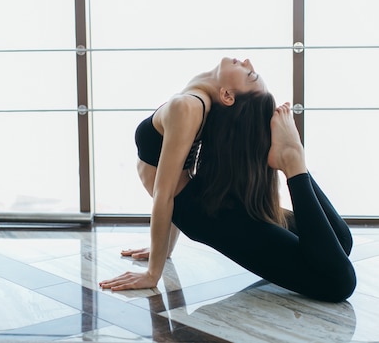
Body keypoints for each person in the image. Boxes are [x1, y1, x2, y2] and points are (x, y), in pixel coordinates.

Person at [99, 58, 356, 303]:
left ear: (228, 96)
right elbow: (174, 181)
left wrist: (153, 272)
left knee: (341, 249)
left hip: (205, 212)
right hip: (206, 210)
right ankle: (293, 162)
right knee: (337, 271)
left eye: (250, 74)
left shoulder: (187, 107)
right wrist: (162, 252)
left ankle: (295, 164)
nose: (247, 61)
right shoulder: (196, 100)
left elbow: (166, 193)